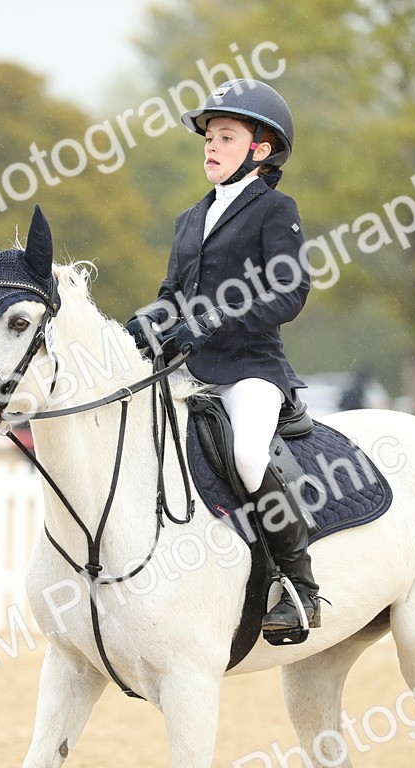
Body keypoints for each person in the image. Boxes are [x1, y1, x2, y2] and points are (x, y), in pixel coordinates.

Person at [125, 78, 321, 633]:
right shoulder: (191, 218)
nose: (211, 146)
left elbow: (290, 292)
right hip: (188, 369)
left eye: (226, 137)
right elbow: (172, 296)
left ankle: (299, 586)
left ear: (260, 149)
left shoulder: (275, 209)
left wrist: (215, 318)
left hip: (250, 370)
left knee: (248, 457)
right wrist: (143, 325)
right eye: (209, 137)